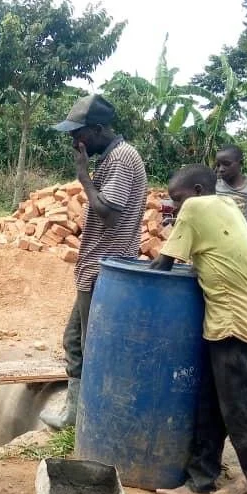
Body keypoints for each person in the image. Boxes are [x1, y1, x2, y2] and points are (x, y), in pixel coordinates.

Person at [150, 164, 247, 494]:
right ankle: (199, 483)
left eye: (177, 198)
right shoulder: (228, 206)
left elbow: (162, 268)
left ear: (197, 191)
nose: (174, 205)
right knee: (211, 408)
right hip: (231, 324)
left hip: (237, 326)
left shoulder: (196, 209)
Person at [40, 95, 148, 430]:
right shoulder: (114, 156)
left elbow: (109, 212)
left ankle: (92, 420)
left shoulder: (121, 159)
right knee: (76, 340)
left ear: (98, 129)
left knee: (91, 346)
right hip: (99, 269)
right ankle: (78, 416)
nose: (75, 140)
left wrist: (83, 175)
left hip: (106, 269)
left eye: (79, 133)